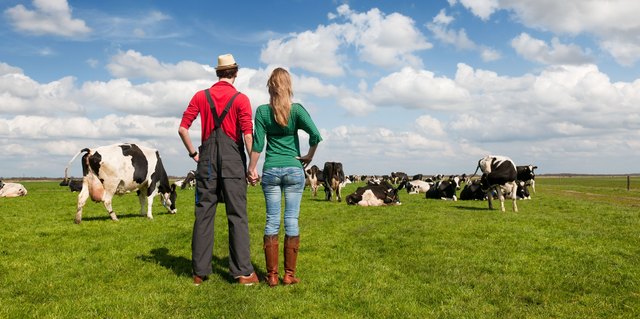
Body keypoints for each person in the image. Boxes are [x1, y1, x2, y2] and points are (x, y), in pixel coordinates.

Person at [178, 53, 259, 286]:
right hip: (233, 160)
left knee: (204, 215)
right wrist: (252, 167)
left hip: (207, 163)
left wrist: (194, 153)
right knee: (237, 216)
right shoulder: (241, 99)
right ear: (235, 73)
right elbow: (247, 135)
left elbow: (183, 129)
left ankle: (199, 273)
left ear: (218, 73)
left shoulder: (200, 96)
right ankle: (243, 273)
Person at [247, 67, 323, 287]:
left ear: (270, 87)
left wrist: (251, 168)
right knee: (291, 220)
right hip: (293, 169)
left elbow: (258, 144)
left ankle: (271, 276)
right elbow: (316, 135)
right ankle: (289, 275)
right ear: (289, 86)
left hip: (270, 170)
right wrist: (309, 155)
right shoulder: (297, 111)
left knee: (272, 220)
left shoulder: (262, 112)